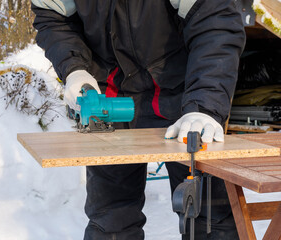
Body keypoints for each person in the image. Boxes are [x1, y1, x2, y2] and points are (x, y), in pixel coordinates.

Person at [31, 1, 246, 239]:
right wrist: (74, 68)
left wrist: (205, 105)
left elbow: (215, 23)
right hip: (109, 99)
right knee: (111, 221)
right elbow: (53, 17)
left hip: (186, 97)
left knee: (210, 220)